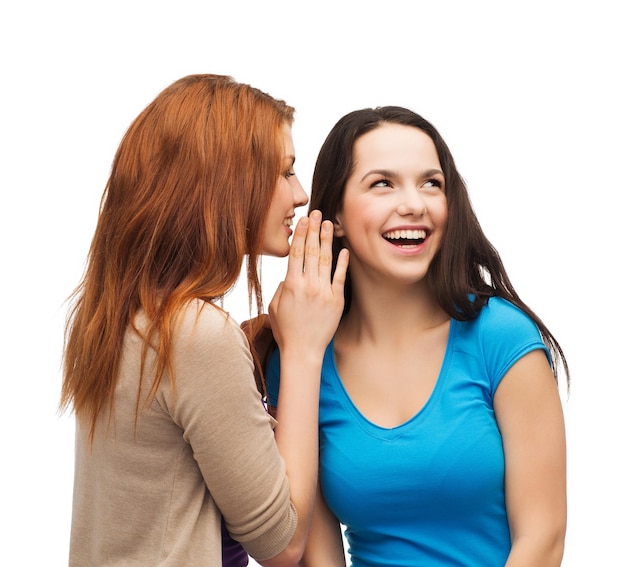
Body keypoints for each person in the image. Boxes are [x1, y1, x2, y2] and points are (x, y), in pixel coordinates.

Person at [59, 74, 348, 567]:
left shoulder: (123, 316)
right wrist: (302, 351)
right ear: (224, 184)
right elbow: (283, 544)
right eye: (284, 173)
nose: (300, 195)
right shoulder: (196, 336)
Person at [266, 106, 568, 566]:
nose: (415, 203)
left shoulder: (501, 338)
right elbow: (313, 553)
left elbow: (543, 540)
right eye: (382, 183)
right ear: (337, 216)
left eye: (432, 183)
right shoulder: (302, 360)